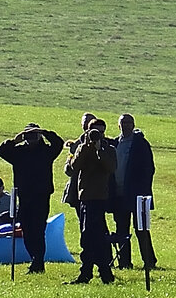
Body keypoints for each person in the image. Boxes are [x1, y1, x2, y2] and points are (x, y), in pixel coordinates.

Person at [0, 123, 64, 274]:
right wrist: (15, 140)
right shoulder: (19, 152)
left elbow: (59, 143)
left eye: (33, 134)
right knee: (26, 230)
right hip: (24, 196)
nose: (30, 137)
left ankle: (38, 262)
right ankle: (35, 259)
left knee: (38, 230)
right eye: (28, 134)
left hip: (41, 196)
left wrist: (44, 132)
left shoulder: (46, 151)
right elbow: (1, 151)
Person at [63, 124, 116, 284]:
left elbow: (111, 167)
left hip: (99, 198)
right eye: (93, 132)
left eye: (99, 132)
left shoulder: (109, 149)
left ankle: (95, 272)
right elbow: (74, 167)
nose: (96, 136)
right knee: (89, 236)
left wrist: (100, 150)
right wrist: (85, 148)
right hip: (85, 197)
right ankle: (98, 273)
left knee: (93, 236)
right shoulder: (82, 148)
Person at [110, 113, 157, 270]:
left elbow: (149, 169)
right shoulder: (115, 143)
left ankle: (149, 261)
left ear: (133, 124)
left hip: (138, 195)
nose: (126, 125)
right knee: (121, 230)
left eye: (129, 122)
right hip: (119, 195)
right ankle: (124, 262)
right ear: (119, 125)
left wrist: (142, 191)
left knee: (141, 229)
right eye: (123, 123)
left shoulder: (141, 144)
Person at [61, 112, 96, 244]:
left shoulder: (104, 143)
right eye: (84, 123)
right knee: (83, 223)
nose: (87, 125)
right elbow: (68, 170)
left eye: (89, 122)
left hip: (96, 191)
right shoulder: (76, 145)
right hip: (77, 190)